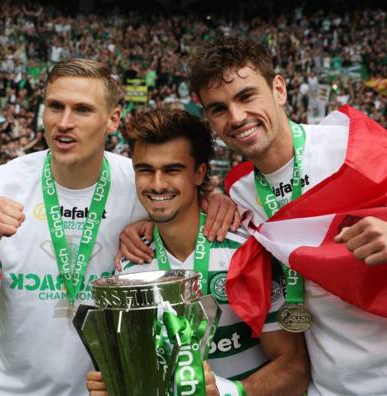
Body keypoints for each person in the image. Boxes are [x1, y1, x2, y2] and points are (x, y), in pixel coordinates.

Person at [184, 37, 387, 395]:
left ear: (279, 89)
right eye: (218, 108)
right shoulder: (240, 192)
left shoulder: (352, 148)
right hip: (331, 387)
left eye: (246, 96)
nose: (236, 117)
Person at [0, 59, 237, 395]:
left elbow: (184, 199)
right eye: (55, 106)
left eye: (82, 110)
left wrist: (216, 199)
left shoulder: (137, 181)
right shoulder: (2, 183)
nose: (64, 122)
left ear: (112, 119)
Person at [87, 108, 309, 396]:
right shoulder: (131, 265)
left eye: (172, 170)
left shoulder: (243, 252)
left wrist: (229, 393)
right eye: (145, 170)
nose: (157, 184)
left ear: (199, 173)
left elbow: (294, 368)